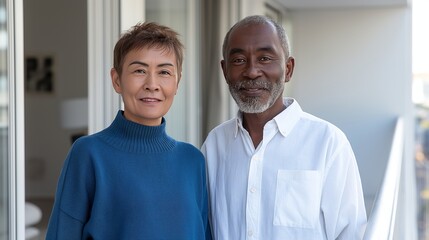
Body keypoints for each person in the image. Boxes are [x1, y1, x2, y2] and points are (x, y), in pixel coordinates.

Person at [201, 15, 367, 239]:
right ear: (224, 70)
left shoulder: (328, 143)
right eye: (239, 60)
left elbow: (351, 233)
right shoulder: (215, 144)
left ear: (288, 69)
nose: (251, 71)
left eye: (265, 58)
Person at [46, 22, 211, 240]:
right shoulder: (88, 154)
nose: (152, 84)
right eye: (140, 70)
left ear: (177, 82)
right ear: (117, 80)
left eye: (164, 72)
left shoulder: (192, 160)